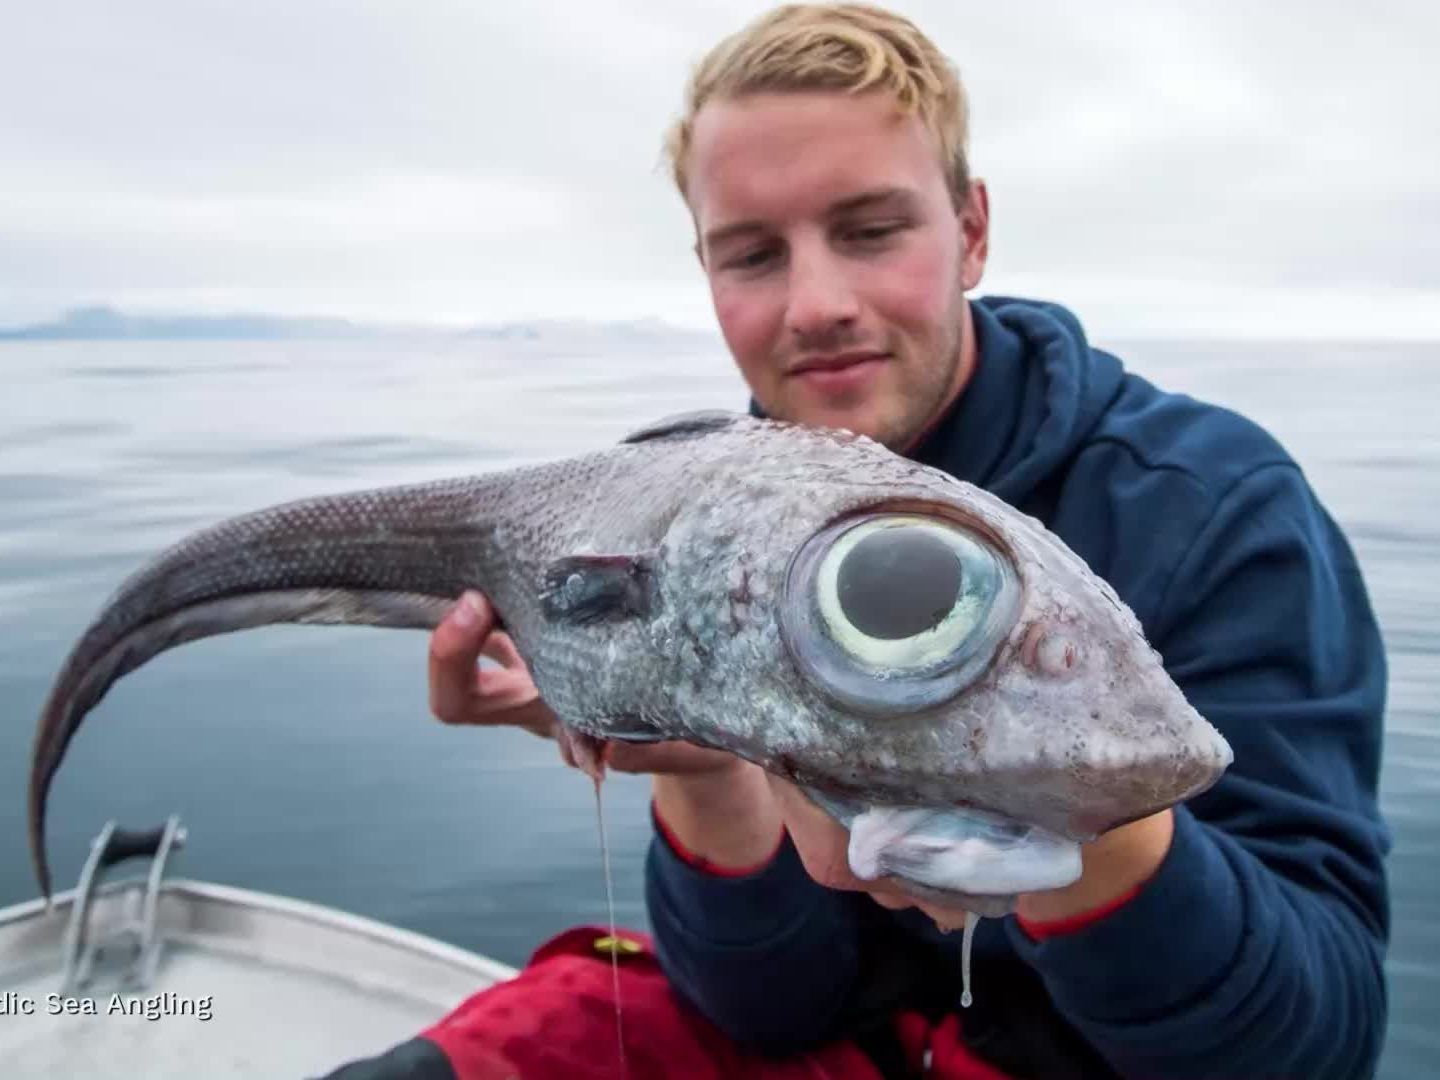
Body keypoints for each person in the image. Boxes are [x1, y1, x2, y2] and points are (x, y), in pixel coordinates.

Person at [322, 5, 1391, 1077]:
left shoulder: (1210, 505)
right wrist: (702, 766)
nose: (817, 305)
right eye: (751, 255)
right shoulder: (698, 546)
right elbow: (767, 1013)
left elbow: (1312, 1045)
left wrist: (1072, 798)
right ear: (703, 271)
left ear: (971, 231)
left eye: (871, 231)